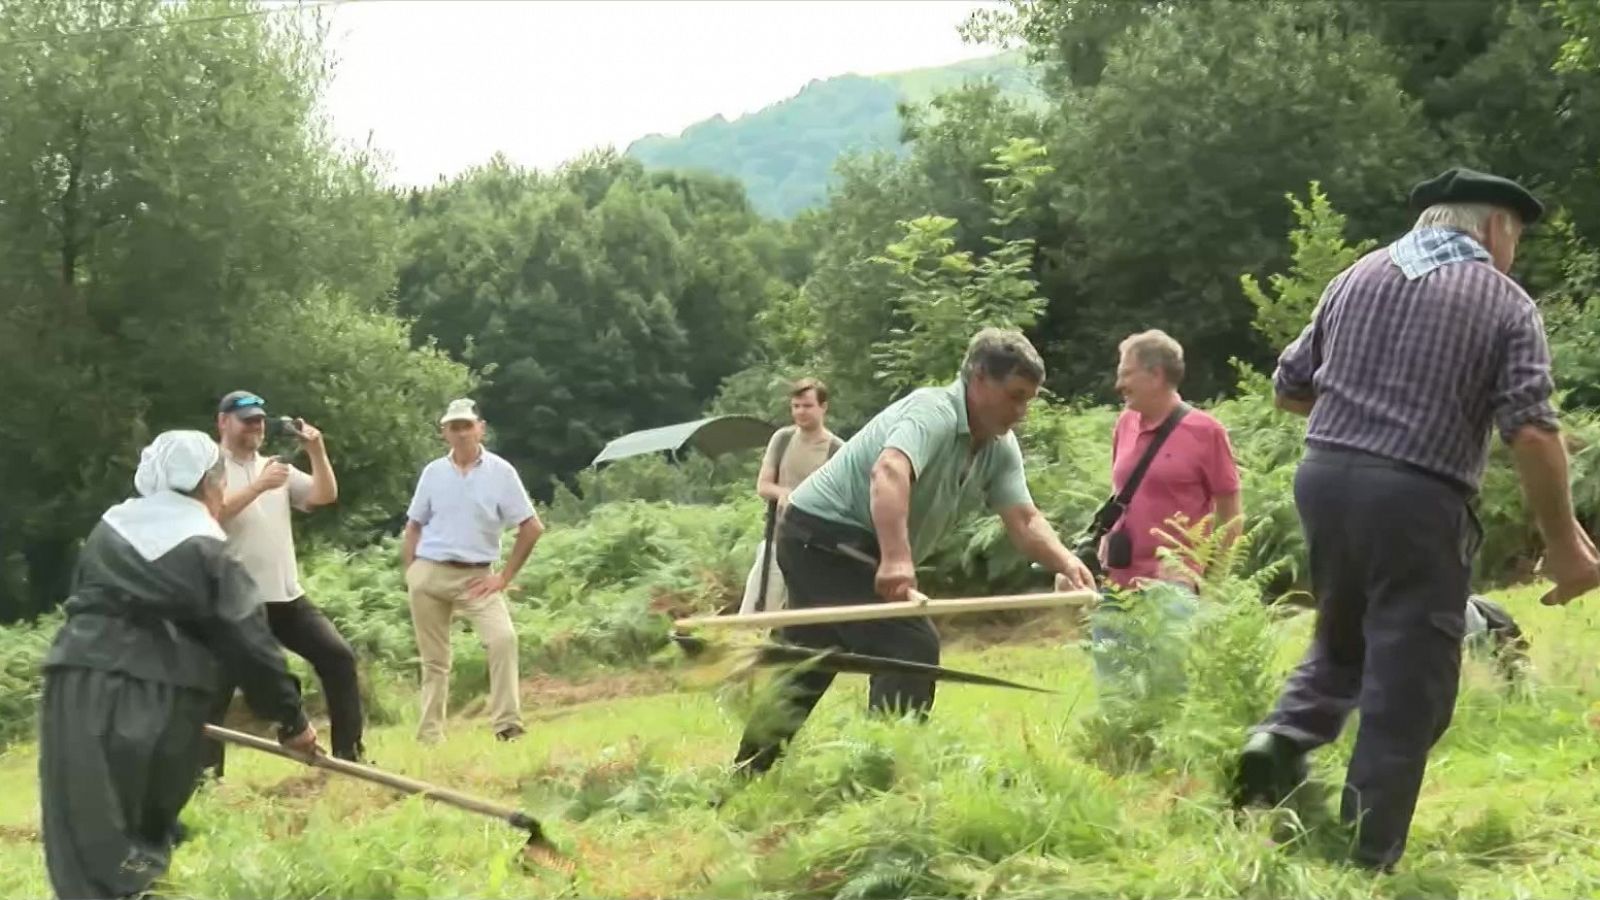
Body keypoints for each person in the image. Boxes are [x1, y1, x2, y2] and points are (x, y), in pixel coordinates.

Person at [1231, 167, 1600, 872]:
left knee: (1342, 644)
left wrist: (1368, 416)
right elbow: (1531, 430)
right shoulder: (1503, 301)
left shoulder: (1355, 277)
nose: (1513, 251)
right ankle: (1366, 862)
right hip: (1415, 499)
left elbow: (1289, 387)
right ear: (1494, 228)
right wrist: (1567, 546)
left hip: (1325, 479)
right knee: (1411, 680)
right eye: (1515, 236)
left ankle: (1279, 738)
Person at [730, 328, 1096, 776]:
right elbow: (889, 470)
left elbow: (1023, 519)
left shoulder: (999, 447)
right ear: (980, 379)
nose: (1020, 412)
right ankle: (885, 776)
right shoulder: (932, 412)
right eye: (1015, 396)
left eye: (1028, 401)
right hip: (823, 538)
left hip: (828, 539)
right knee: (908, 646)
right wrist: (898, 559)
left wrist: (1068, 563)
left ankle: (744, 776)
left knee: (809, 659)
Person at [38, 430, 317, 900]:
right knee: (141, 824)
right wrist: (292, 720)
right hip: (156, 694)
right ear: (212, 484)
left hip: (75, 681)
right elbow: (249, 643)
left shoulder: (109, 528)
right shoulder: (208, 547)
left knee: (83, 826)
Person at [200, 390, 363, 779]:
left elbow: (325, 495)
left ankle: (348, 759)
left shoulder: (276, 467)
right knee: (214, 692)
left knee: (338, 659)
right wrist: (258, 487)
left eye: (259, 421)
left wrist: (317, 451)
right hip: (233, 601)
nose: (255, 428)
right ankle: (206, 780)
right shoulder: (209, 469)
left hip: (285, 596)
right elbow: (210, 514)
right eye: (246, 421)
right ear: (224, 423)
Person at [1088, 330, 1243, 693]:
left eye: (1126, 374)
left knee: (1167, 691)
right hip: (1118, 582)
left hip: (1173, 585)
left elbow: (1231, 512)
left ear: (1156, 375)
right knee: (1114, 690)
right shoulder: (1124, 424)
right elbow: (1119, 495)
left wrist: (1211, 580)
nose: (1118, 384)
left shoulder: (1206, 432)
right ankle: (1122, 751)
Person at [402, 398, 544, 743]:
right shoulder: (433, 473)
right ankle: (430, 736)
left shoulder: (501, 472)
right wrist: (412, 572)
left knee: (503, 640)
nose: (462, 433)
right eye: (455, 427)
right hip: (431, 571)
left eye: (467, 425)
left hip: (477, 576)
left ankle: (507, 724)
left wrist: (504, 577)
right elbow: (414, 525)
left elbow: (531, 526)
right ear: (444, 433)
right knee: (434, 661)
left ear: (480, 428)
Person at [737, 378, 844, 616]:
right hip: (777, 537)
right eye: (796, 406)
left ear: (823, 407)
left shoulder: (837, 449)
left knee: (808, 614)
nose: (800, 412)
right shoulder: (782, 439)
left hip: (814, 547)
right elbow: (764, 486)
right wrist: (784, 493)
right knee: (758, 604)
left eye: (807, 406)